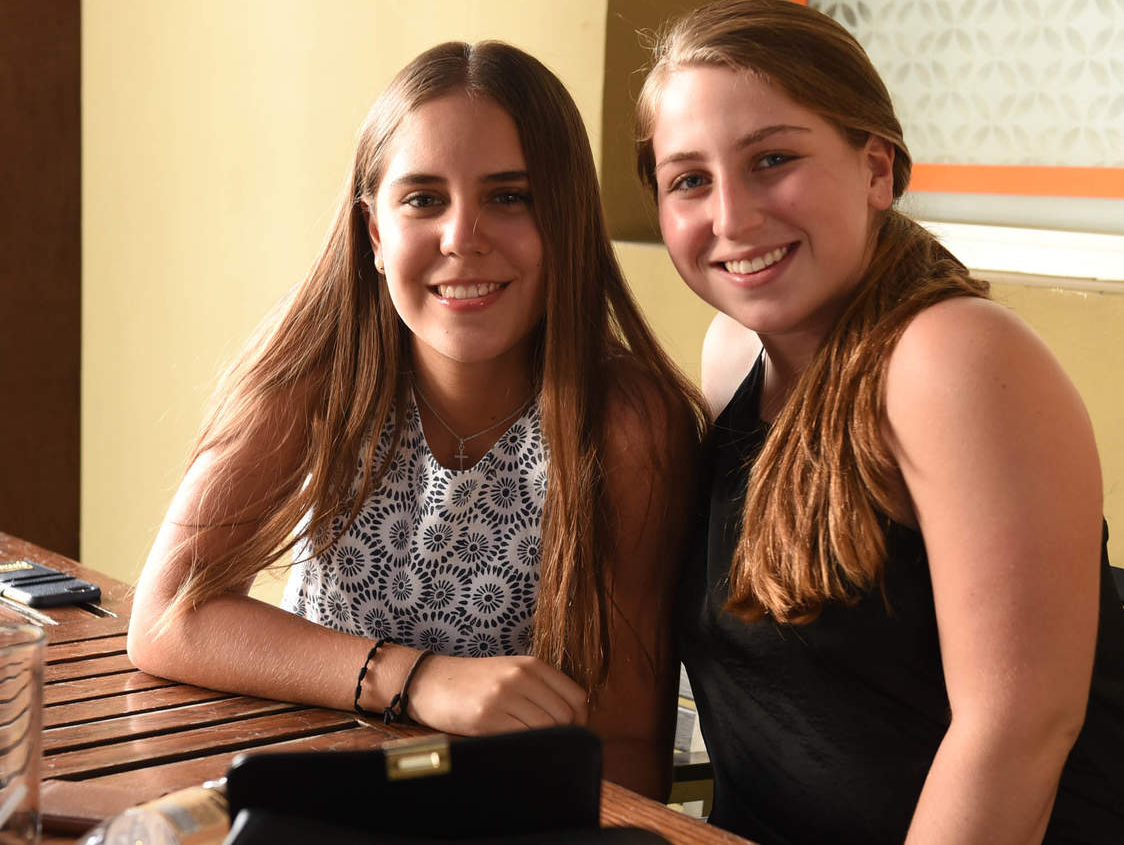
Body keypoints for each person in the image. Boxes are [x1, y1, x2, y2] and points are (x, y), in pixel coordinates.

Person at [635, 0, 1124, 843]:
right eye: (690, 179)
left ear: (876, 169)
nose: (731, 216)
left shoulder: (951, 356)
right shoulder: (735, 354)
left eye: (772, 159)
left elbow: (1016, 732)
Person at [128, 40, 703, 800]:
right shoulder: (319, 372)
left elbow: (626, 745)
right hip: (302, 796)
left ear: (566, 220)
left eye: (510, 197)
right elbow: (167, 615)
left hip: (495, 816)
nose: (462, 237)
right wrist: (417, 679)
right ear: (374, 234)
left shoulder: (629, 424)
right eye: (424, 199)